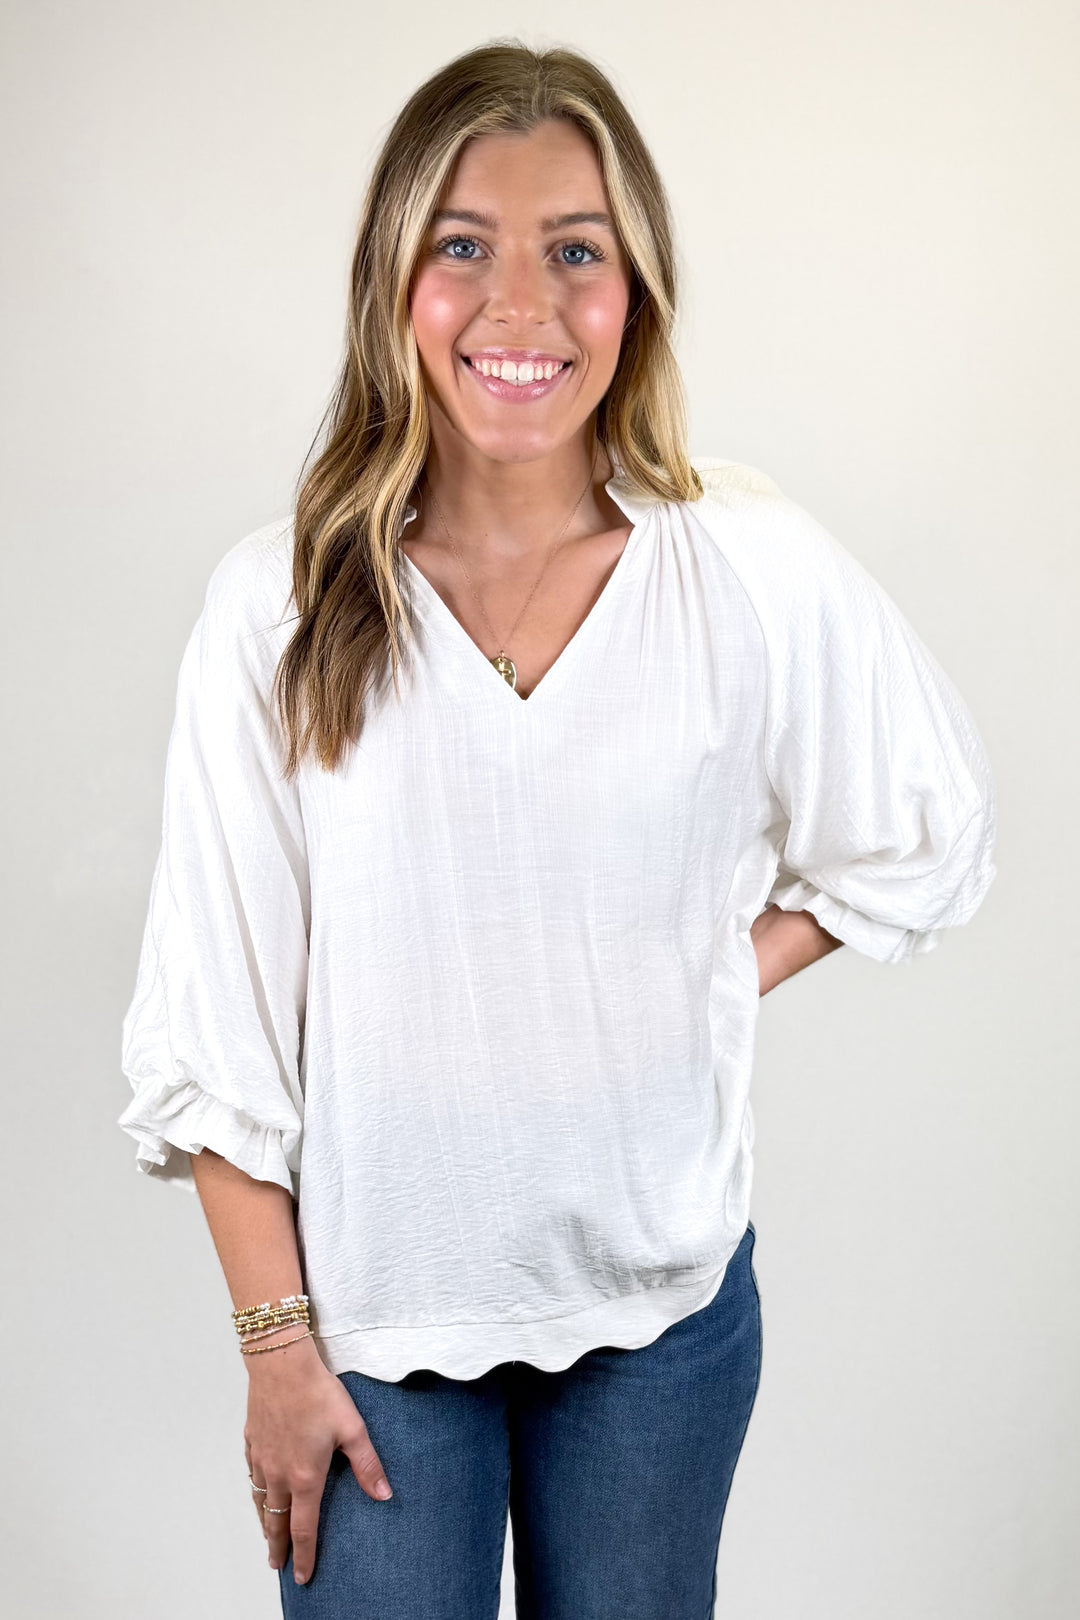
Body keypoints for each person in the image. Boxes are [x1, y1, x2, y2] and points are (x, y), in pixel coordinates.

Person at [116, 38, 997, 1620]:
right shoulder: (282, 604)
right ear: (396, 281)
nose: (520, 305)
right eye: (464, 245)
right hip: (375, 1337)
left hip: (663, 1315)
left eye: (573, 250)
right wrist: (274, 1349)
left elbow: (924, 826)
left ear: (635, 290)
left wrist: (710, 969)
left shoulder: (746, 568)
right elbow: (214, 1026)